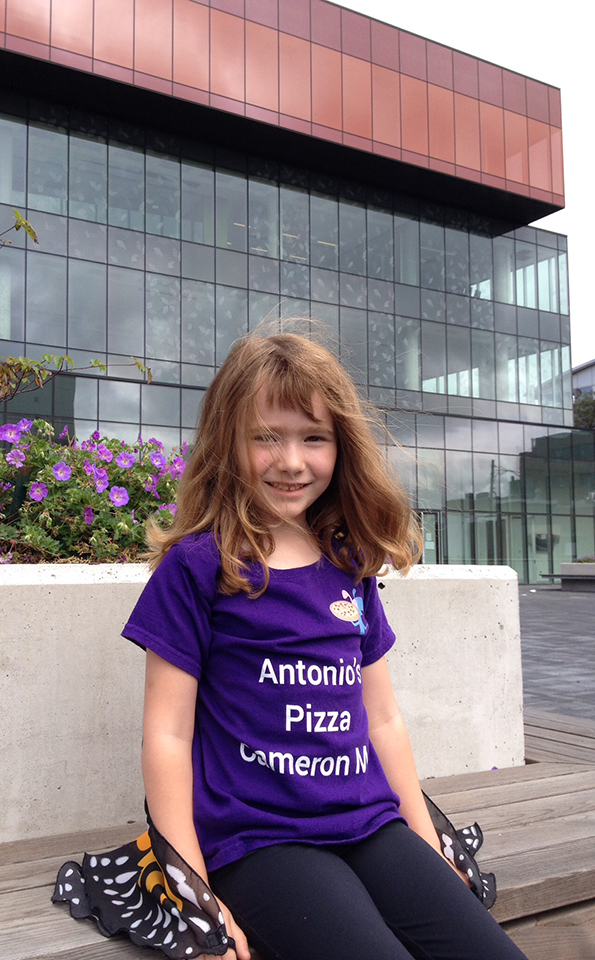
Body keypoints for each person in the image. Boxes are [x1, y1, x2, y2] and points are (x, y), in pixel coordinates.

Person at [64, 329, 529, 960]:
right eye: (266, 436)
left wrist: (427, 841)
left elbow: (384, 717)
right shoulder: (200, 568)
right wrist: (193, 892)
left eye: (314, 437)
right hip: (259, 842)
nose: (292, 460)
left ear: (341, 446)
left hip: (369, 822)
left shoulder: (349, 564)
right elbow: (167, 736)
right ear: (229, 439)